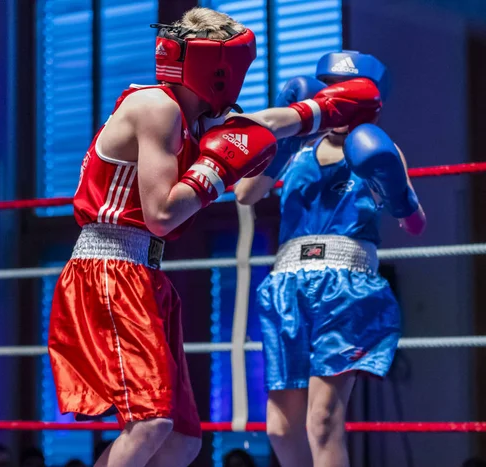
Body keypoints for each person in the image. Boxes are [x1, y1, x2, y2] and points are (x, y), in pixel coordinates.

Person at [48, 6, 382, 465]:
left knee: (181, 440)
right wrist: (216, 169)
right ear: (222, 67)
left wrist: (319, 110)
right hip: (108, 269)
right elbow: (163, 214)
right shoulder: (156, 107)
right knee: (150, 423)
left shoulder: (197, 118)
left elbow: (263, 127)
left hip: (143, 274)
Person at [235, 51, 426, 467]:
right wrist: (282, 147)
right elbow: (245, 194)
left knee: (322, 420)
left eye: (348, 94)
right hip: (287, 285)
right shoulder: (299, 148)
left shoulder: (381, 151)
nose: (338, 101)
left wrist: (394, 189)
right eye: (331, 91)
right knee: (280, 429)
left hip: (346, 286)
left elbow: (415, 225)